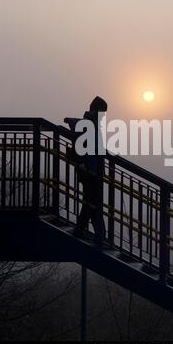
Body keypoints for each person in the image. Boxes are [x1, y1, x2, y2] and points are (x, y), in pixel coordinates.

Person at [65, 97, 108, 246]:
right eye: (102, 112)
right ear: (97, 110)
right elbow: (83, 146)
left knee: (91, 203)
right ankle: (99, 236)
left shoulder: (90, 124)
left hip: (91, 170)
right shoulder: (88, 125)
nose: (104, 116)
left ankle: (89, 232)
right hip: (89, 170)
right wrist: (85, 163)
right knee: (93, 203)